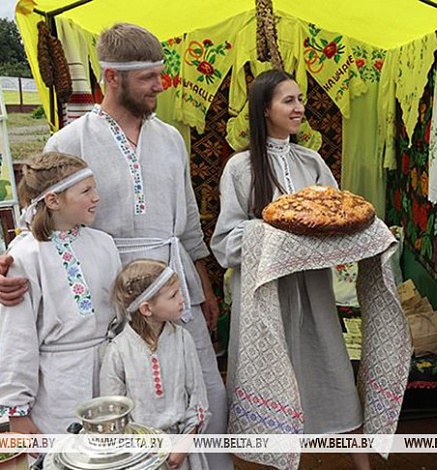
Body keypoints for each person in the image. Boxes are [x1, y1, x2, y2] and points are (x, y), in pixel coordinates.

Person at [0, 23, 232, 469]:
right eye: (147, 78)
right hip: (111, 292)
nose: (159, 86)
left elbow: (186, 221)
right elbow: (40, 222)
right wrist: (7, 263)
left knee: (202, 388)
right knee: (135, 401)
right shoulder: (70, 140)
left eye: (159, 75)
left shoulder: (168, 138)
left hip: (173, 283)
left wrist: (201, 285)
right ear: (111, 77)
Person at [211, 69, 370, 469]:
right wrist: (273, 234)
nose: (300, 108)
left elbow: (340, 218)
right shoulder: (240, 168)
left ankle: (360, 461)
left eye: (300, 99)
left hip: (313, 288)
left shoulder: (311, 161)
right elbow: (225, 243)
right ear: (265, 109)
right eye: (289, 101)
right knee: (269, 380)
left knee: (330, 370)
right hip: (264, 291)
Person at [0, 152, 122, 434]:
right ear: (53, 200)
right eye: (86, 190)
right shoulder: (26, 254)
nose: (96, 197)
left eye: (95, 188)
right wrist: (17, 408)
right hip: (58, 386)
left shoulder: (104, 244)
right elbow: (17, 335)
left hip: (109, 373)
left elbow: (121, 314)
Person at [102, 259, 209, 470]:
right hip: (139, 457)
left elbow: (197, 397)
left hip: (183, 451)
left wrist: (184, 445)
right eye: (173, 295)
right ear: (146, 308)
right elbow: (113, 413)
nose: (182, 299)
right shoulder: (118, 350)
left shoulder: (183, 339)